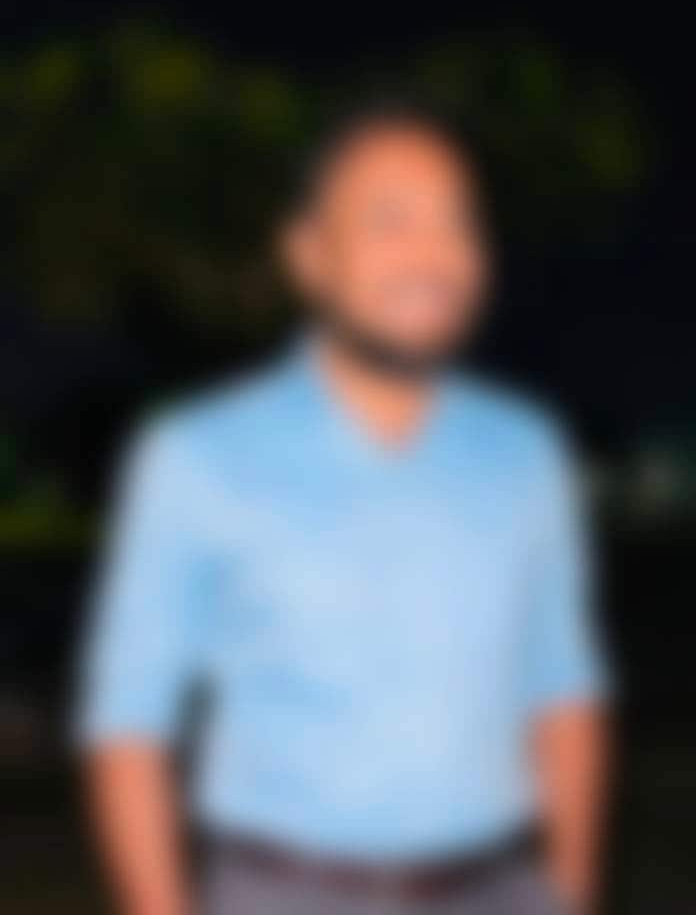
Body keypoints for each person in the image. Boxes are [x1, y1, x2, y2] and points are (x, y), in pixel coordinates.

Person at [77, 100, 611, 914]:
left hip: (500, 891)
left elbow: (563, 686)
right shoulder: (197, 457)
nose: (434, 253)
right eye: (390, 220)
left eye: (458, 223)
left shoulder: (523, 452)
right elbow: (127, 724)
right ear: (309, 256)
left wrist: (567, 893)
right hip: (288, 891)